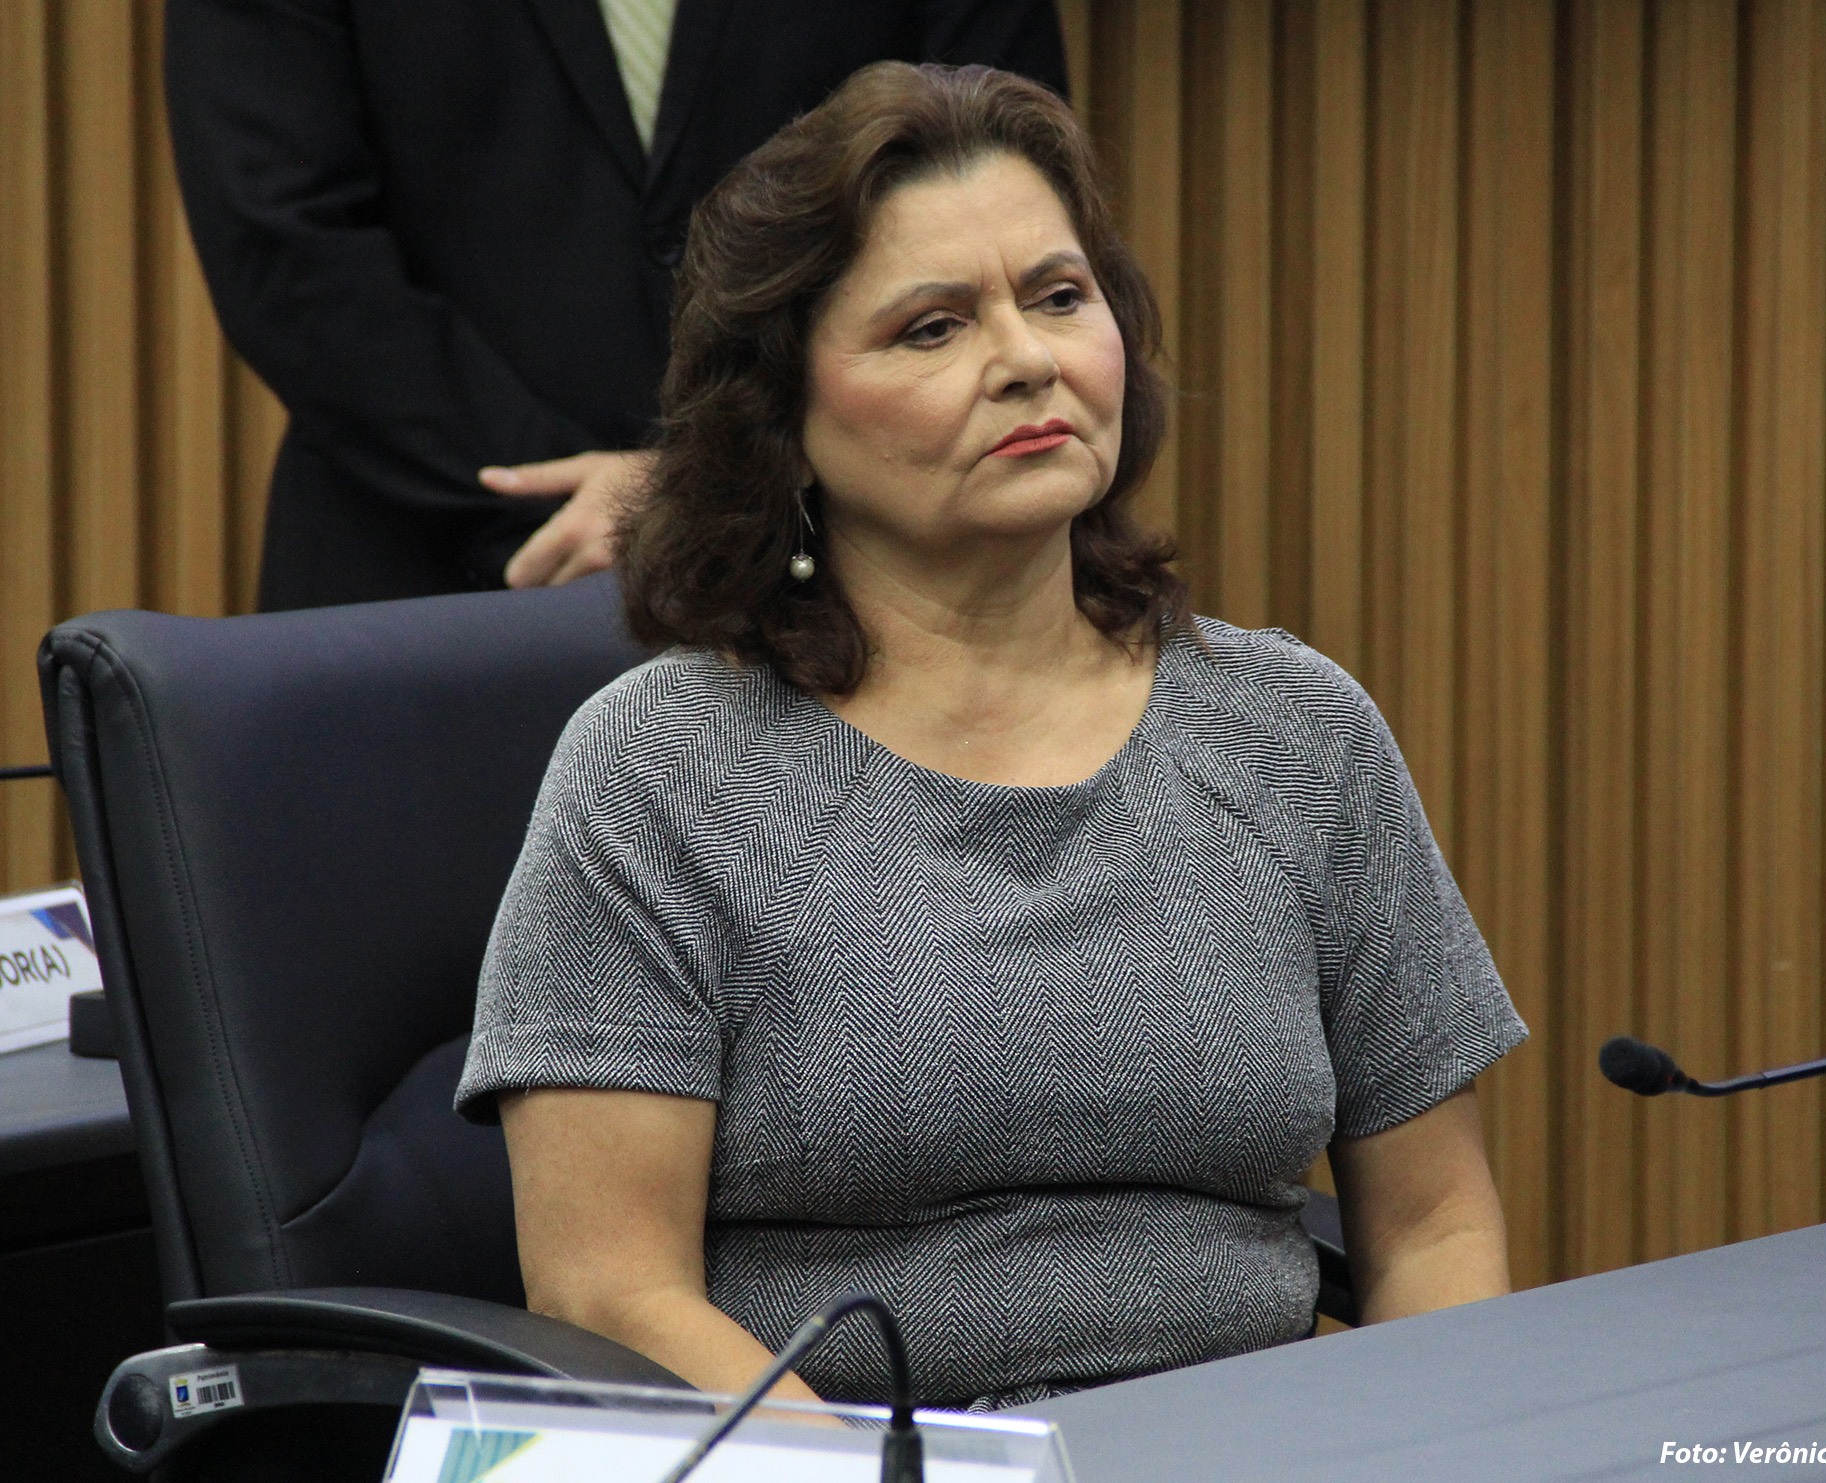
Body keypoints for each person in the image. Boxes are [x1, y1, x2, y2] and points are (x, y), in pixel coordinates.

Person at [455, 62, 1528, 1410]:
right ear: (781, 416)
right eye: (931, 327)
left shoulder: (1294, 729)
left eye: (1060, 297)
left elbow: (1434, 1226)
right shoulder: (662, 770)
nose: (1028, 359)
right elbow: (610, 1289)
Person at [165, 0, 1067, 610]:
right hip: (430, 580)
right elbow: (281, 241)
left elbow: (999, 164)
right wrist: (595, 492)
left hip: (843, 575)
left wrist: (726, 480)